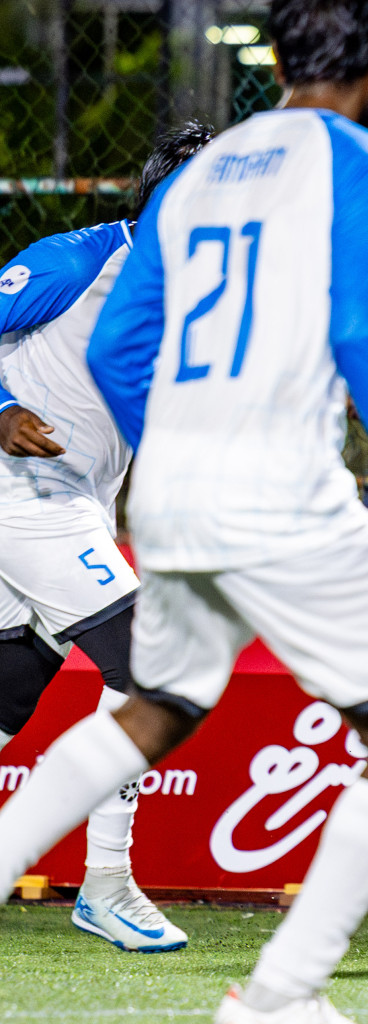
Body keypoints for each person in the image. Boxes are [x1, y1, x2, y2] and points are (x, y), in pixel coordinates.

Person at [0, 0, 368, 1018]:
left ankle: (112, 892)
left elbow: (120, 346)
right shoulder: (367, 168)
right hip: (279, 490)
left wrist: (168, 454)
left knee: (152, 702)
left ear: (272, 53)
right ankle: (275, 998)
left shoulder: (206, 176)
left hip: (174, 494)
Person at [0, 121, 213, 953]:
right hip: (25, 495)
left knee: (11, 686)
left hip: (71, 507)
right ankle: (107, 882)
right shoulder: (80, 259)